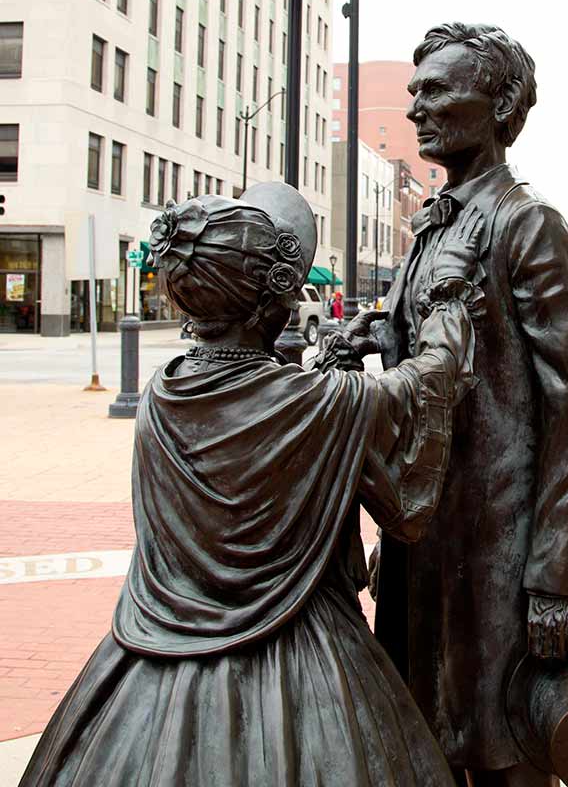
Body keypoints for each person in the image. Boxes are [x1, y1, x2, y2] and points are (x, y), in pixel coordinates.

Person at [20, 182, 484, 787]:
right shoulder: (317, 403)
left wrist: (331, 376)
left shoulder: (162, 392)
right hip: (306, 662)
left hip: (147, 660)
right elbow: (432, 378)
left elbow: (270, 420)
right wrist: (447, 293)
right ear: (273, 304)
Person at [373, 23, 568, 786]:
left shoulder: (526, 224)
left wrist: (554, 578)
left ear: (500, 105)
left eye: (437, 91)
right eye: (414, 93)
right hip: (426, 546)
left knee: (506, 752)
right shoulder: (428, 230)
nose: (417, 109)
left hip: (500, 557)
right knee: (424, 737)